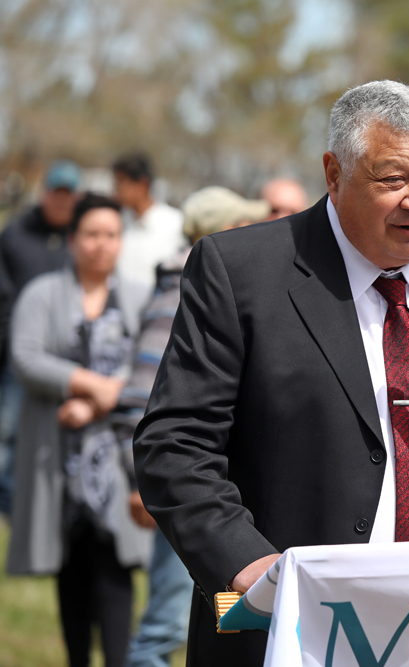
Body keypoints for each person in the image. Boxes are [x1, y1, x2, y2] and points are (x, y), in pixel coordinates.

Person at [133, 80, 409, 665]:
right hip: (297, 624)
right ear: (334, 174)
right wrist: (252, 568)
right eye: (393, 180)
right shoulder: (240, 272)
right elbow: (174, 445)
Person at [120, 186, 269, 667]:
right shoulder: (194, 291)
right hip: (185, 490)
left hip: (203, 487)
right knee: (162, 627)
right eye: (242, 223)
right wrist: (137, 479)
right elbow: (147, 394)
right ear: (217, 231)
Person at [5, 193, 152, 667]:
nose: (100, 245)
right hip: (57, 460)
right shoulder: (42, 294)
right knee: (68, 571)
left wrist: (93, 408)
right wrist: (89, 384)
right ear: (72, 240)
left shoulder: (138, 295)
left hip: (117, 464)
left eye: (111, 235)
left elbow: (152, 366)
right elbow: (26, 358)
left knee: (115, 570)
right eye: (90, 234)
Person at [0, 159, 80, 516]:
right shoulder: (15, 234)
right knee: (9, 431)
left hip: (71, 358)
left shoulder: (82, 238)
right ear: (44, 194)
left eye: (68, 195)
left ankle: (53, 508)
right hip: (19, 356)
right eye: (56, 194)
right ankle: (8, 507)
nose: (61, 202)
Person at [112, 152, 186, 290]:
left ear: (142, 185)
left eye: (121, 182)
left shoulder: (176, 223)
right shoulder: (117, 224)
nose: (116, 189)